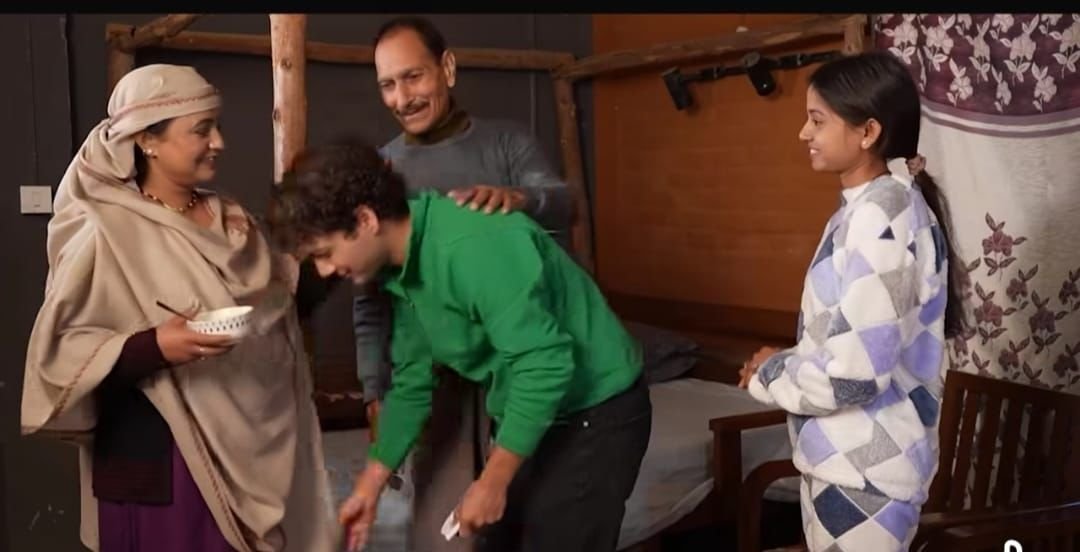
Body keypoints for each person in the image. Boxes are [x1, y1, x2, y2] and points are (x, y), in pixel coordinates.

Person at [267, 139, 651, 552]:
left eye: (325, 253)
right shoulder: (402, 270)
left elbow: (544, 364)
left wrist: (493, 480)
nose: (326, 270)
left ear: (365, 220)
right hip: (537, 413)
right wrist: (370, 485)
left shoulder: (471, 246)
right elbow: (413, 384)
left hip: (596, 410)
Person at [20, 64, 336, 552]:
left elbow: (278, 303)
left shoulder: (232, 220)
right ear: (148, 139)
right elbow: (61, 354)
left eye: (216, 126)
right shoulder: (104, 231)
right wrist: (155, 346)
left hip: (246, 447)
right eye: (201, 130)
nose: (219, 142)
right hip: (159, 466)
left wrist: (352, 250)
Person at [355, 15, 575, 551]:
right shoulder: (382, 170)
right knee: (442, 533)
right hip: (436, 378)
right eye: (387, 84)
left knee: (524, 518)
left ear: (447, 68)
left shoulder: (507, 142)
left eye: (413, 77)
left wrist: (520, 198)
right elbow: (371, 301)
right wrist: (373, 390)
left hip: (520, 367)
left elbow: (564, 203)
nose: (402, 98)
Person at [737, 51, 965, 551]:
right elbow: (848, 342)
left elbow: (853, 378)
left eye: (817, 120)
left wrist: (770, 375)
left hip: (866, 469)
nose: (804, 133)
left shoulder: (881, 216)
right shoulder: (872, 208)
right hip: (849, 463)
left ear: (868, 132)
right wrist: (784, 360)